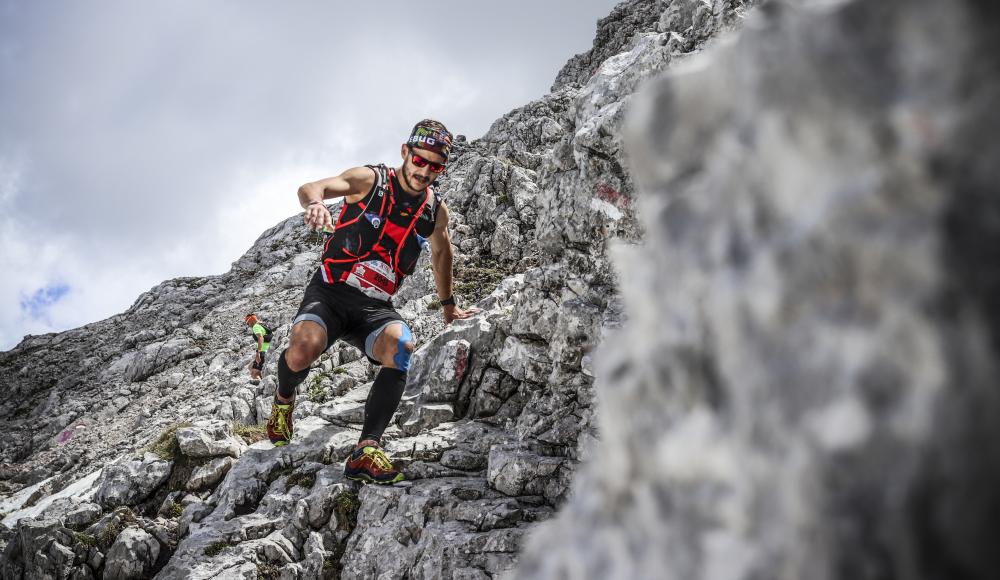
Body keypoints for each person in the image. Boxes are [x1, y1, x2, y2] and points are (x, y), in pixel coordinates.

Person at [267, 119, 479, 485]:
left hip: (374, 307)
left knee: (402, 346)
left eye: (434, 165)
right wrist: (317, 204)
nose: (424, 170)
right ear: (405, 153)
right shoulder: (370, 181)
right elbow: (312, 186)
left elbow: (442, 253)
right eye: (420, 160)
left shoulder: (433, 211)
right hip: (330, 292)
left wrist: (448, 305)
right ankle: (284, 401)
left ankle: (367, 449)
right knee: (302, 350)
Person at [245, 313, 272, 382]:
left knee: (254, 372)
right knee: (250, 366)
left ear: (251, 321)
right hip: (269, 350)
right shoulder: (263, 325)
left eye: (248, 323)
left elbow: (261, 338)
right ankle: (263, 381)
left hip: (263, 351)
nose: (248, 325)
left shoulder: (255, 327)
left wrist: (258, 352)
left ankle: (262, 386)